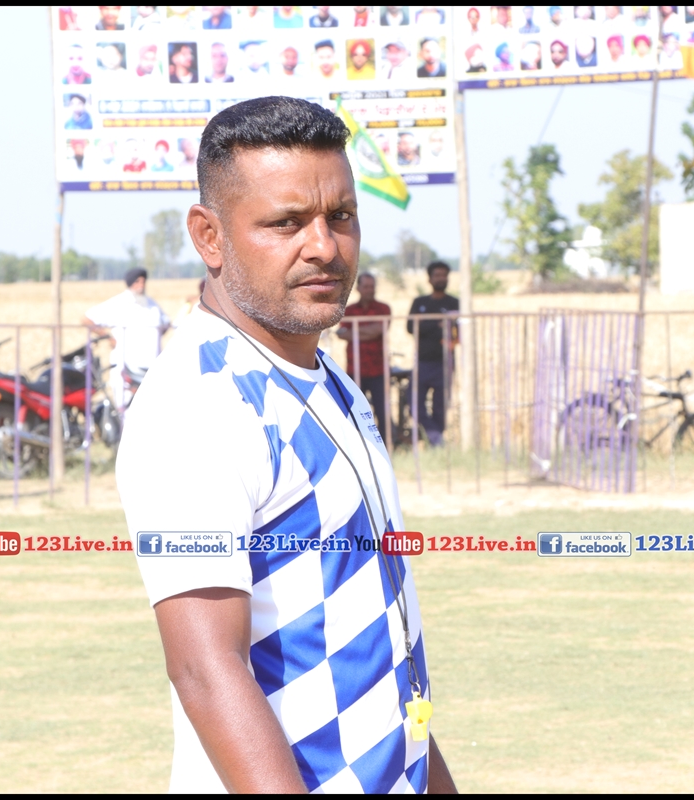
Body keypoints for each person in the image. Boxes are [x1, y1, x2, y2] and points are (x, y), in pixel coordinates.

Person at [118, 96, 457, 794]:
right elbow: (205, 668)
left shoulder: (330, 382)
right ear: (209, 237)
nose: (324, 245)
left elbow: (382, 648)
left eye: (341, 215)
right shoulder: (199, 403)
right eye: (286, 222)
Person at [81, 267, 171, 415]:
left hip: (151, 370)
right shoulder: (119, 303)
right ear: (130, 283)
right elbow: (87, 319)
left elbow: (166, 324)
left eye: (143, 281)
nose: (141, 285)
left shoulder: (152, 306)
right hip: (126, 369)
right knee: (127, 413)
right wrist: (107, 337)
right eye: (137, 281)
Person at [406, 261, 458, 446]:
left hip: (445, 362)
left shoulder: (454, 303)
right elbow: (411, 327)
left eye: (444, 275)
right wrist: (438, 324)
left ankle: (435, 444)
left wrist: (426, 325)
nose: (441, 279)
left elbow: (457, 331)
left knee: (440, 407)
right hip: (423, 362)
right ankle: (436, 439)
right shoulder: (420, 302)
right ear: (429, 279)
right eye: (437, 275)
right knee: (414, 404)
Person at [337, 272, 392, 431]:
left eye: (372, 287)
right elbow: (342, 334)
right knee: (356, 412)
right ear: (359, 288)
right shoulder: (349, 310)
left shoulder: (383, 308)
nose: (370, 290)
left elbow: (379, 330)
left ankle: (385, 442)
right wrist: (368, 331)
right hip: (355, 369)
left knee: (382, 411)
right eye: (366, 287)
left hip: (378, 369)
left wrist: (354, 330)